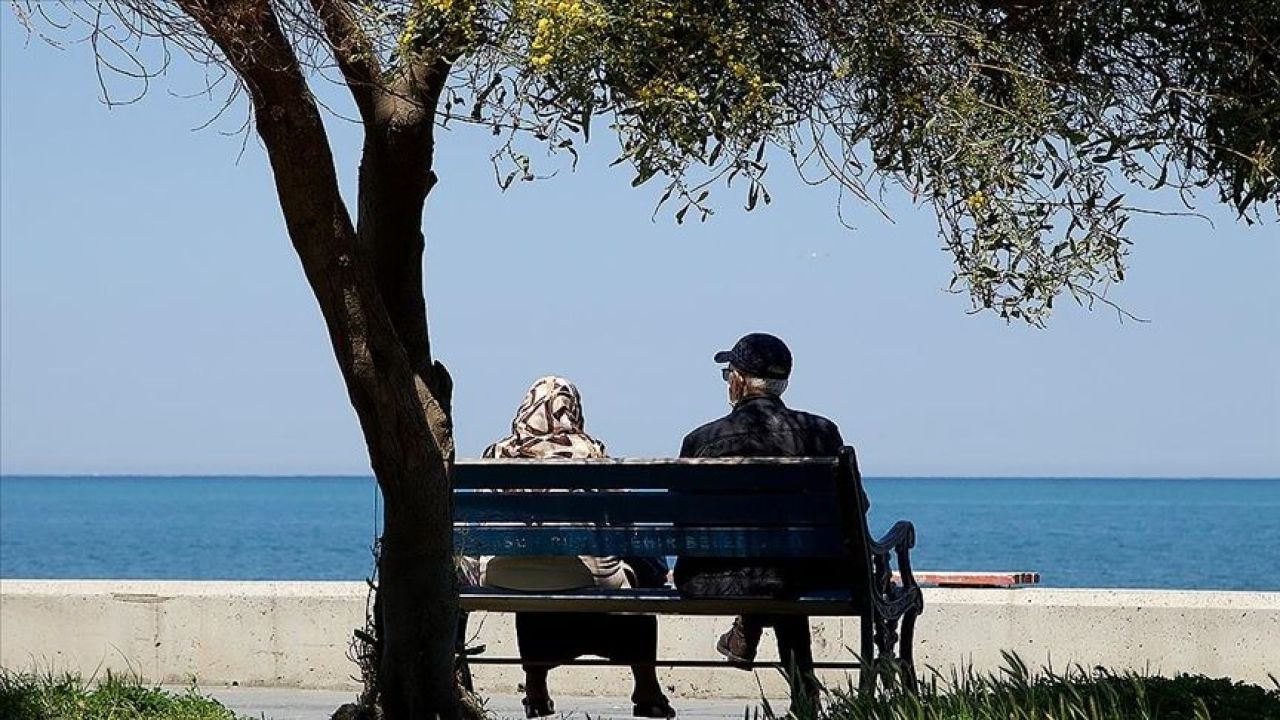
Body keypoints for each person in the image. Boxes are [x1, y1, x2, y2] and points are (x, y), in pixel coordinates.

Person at [478, 376, 675, 719]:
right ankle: (646, 688)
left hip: (505, 577)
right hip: (586, 578)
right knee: (632, 577)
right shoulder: (589, 452)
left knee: (532, 574)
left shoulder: (496, 454)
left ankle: (536, 689)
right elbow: (623, 522)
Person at [672, 333, 847, 715]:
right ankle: (799, 690)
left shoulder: (701, 440)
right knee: (785, 567)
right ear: (783, 382)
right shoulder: (822, 433)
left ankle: (746, 636)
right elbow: (853, 510)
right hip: (806, 576)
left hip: (712, 579)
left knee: (775, 566)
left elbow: (682, 522)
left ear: (737, 380)